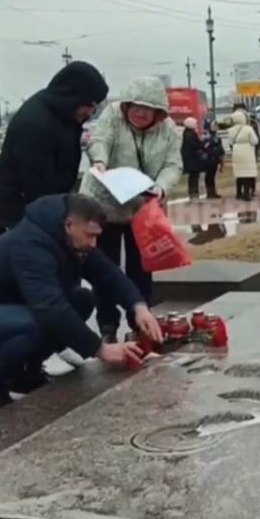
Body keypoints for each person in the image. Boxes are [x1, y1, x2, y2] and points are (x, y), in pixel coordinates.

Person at [0, 193, 165, 413]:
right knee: (39, 322)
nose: (94, 244)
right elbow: (50, 307)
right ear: (69, 225)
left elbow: (109, 274)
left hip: (8, 308)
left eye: (97, 236)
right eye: (90, 235)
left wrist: (138, 307)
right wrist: (100, 349)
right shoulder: (31, 246)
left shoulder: (71, 239)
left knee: (82, 300)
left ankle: (26, 373)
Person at [79, 76, 183, 343]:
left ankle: (139, 322)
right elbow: (98, 139)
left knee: (142, 267)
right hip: (104, 202)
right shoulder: (113, 115)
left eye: (146, 108)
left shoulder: (169, 129)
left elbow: (173, 164)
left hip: (142, 207)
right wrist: (100, 161)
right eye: (134, 106)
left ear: (158, 112)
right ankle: (107, 325)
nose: (139, 112)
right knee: (104, 265)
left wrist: (161, 187)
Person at [0, 61, 109, 237]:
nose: (91, 113)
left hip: (49, 209)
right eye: (90, 105)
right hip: (24, 218)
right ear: (74, 96)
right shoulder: (34, 123)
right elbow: (36, 185)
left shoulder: (66, 116)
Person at [181, 117, 218, 199]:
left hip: (191, 158)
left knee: (194, 175)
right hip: (192, 158)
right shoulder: (190, 134)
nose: (196, 125)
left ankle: (194, 191)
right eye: (195, 124)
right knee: (194, 175)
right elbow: (195, 145)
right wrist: (203, 144)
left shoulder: (187, 133)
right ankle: (193, 192)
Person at [228, 109, 259, 200]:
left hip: (236, 151)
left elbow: (230, 142)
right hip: (247, 151)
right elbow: (255, 141)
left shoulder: (231, 129)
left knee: (239, 173)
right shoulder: (248, 128)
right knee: (247, 173)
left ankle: (238, 193)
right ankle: (246, 193)